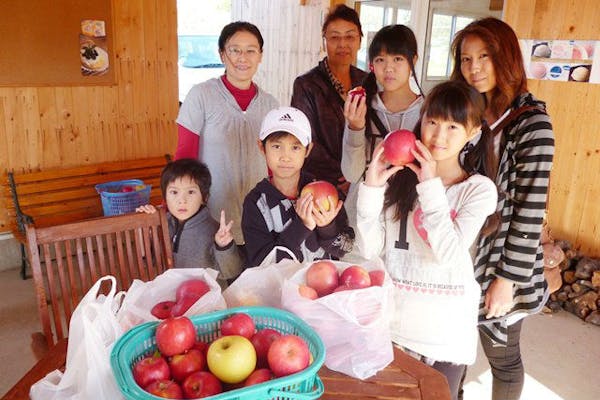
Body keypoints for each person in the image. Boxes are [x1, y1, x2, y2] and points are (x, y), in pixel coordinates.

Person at [355, 81, 498, 400]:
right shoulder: (399, 179)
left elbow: (448, 253)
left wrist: (430, 185)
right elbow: (369, 250)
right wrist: (372, 189)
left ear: (472, 132)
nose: (439, 135)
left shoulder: (478, 189)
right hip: (392, 330)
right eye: (432, 121)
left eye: (452, 126)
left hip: (444, 338)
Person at [450, 17, 555, 400]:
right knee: (451, 352)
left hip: (502, 260)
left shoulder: (533, 124)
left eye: (485, 57)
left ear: (506, 58)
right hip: (458, 253)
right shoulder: (467, 115)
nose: (474, 68)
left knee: (503, 357)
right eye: (465, 59)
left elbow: (530, 209)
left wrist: (506, 281)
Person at [175, 21, 278, 247]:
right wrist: (184, 208)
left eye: (251, 50)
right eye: (234, 50)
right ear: (222, 54)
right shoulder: (201, 96)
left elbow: (274, 164)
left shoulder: (270, 104)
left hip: (259, 217)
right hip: (211, 217)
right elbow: (184, 157)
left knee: (257, 280)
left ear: (260, 55)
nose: (243, 57)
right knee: (217, 280)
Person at [242, 106, 352, 267]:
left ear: (308, 150)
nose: (285, 157)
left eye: (295, 147)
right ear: (261, 147)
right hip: (278, 291)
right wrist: (303, 225)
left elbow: (345, 248)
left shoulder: (328, 194)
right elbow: (262, 264)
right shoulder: (256, 203)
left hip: (326, 290)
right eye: (276, 146)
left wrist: (327, 227)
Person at [342, 24, 425, 230]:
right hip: (362, 221)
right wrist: (355, 127)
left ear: (413, 60)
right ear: (372, 65)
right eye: (380, 60)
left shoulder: (429, 113)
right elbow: (352, 175)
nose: (388, 68)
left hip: (406, 223)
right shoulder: (361, 107)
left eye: (397, 59)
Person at [291, 4, 367, 196]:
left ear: (359, 41)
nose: (342, 44)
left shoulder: (368, 82)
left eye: (350, 36)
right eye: (334, 37)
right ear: (324, 42)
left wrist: (357, 174)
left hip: (363, 181)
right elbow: (306, 138)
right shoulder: (306, 85)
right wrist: (344, 175)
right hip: (321, 183)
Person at [136, 159, 242, 286]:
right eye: (174, 192)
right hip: (170, 297)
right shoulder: (162, 224)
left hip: (207, 300)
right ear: (164, 197)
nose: (182, 200)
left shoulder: (214, 231)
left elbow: (231, 272)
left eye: (191, 192)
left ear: (205, 197)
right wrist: (144, 228)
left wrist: (223, 246)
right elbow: (147, 263)